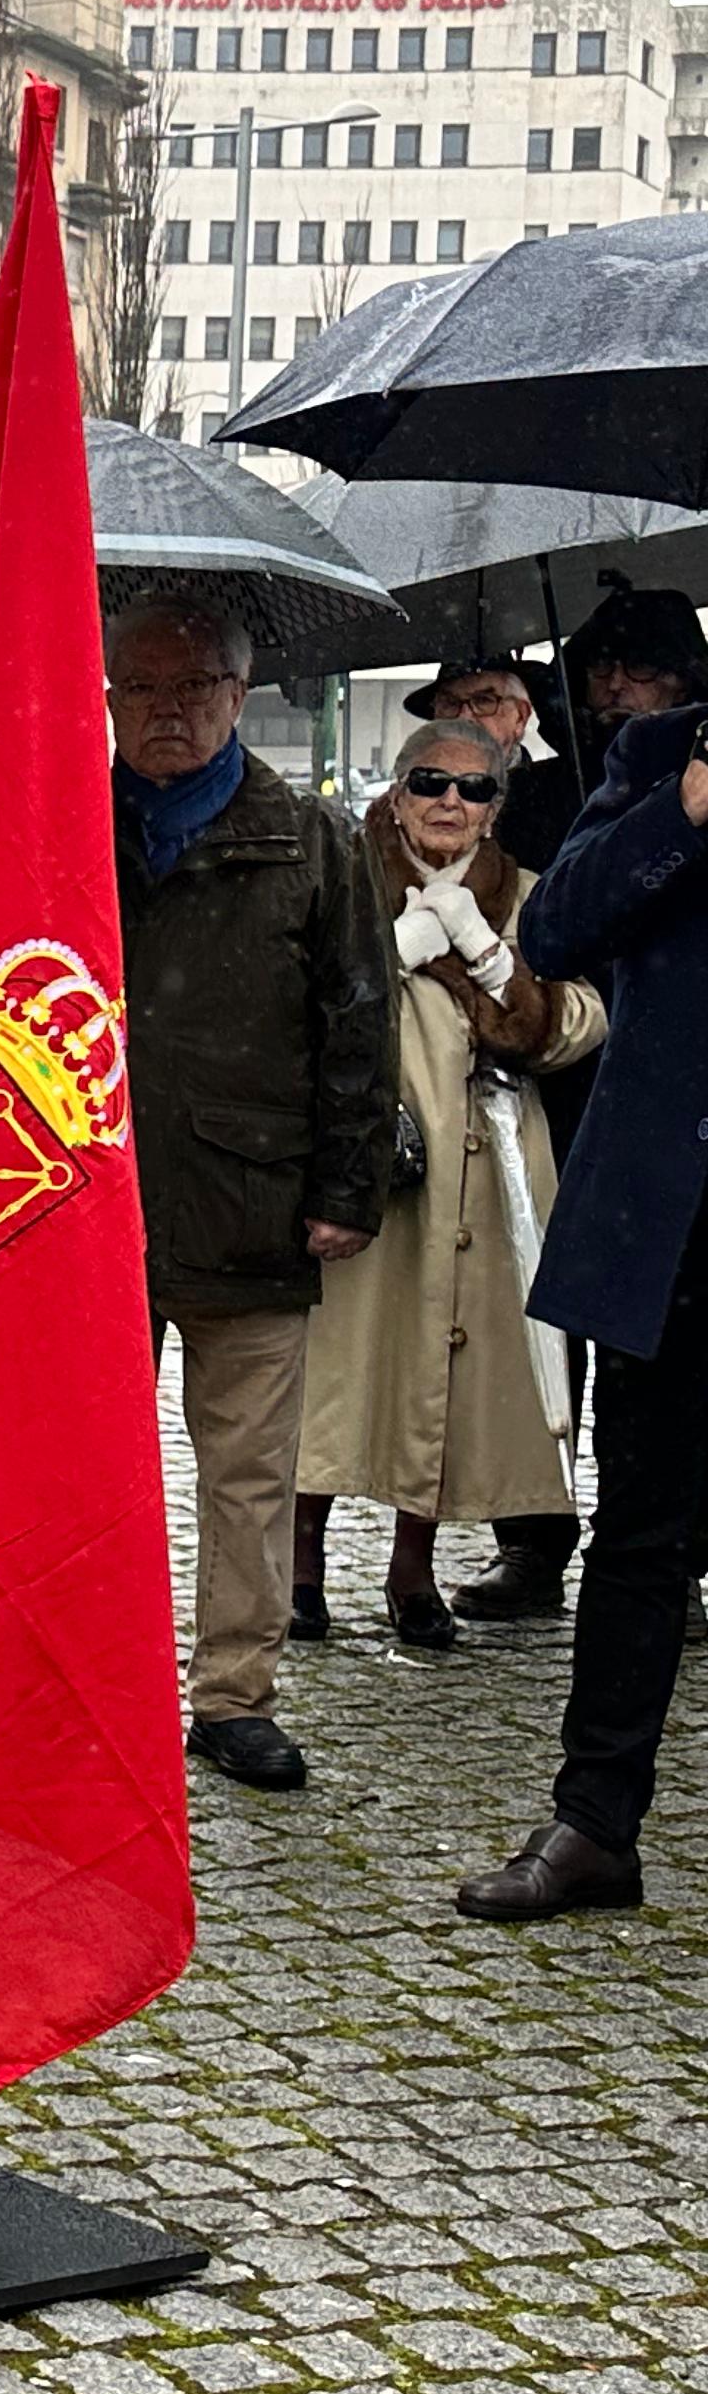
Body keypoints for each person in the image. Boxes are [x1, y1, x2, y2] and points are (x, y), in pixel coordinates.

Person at [104, 598, 393, 1796]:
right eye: (144, 688)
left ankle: (235, 1695)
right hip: (92, 1203)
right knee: (93, 1470)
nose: (169, 711)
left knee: (251, 1476)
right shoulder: (63, 822)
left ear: (240, 694)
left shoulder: (311, 840)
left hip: (255, 1201)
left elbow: (359, 1023)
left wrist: (346, 1190)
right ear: (110, 698)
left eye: (195, 688)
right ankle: (98, 1684)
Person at [458, 650, 708, 1917]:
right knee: (641, 1540)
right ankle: (595, 1824)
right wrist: (686, 813)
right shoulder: (665, 761)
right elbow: (554, 931)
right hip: (672, 1231)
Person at [292, 726, 604, 1648]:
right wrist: (394, 949)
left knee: (445, 1365)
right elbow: (295, 1000)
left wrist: (492, 959)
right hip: (367, 1164)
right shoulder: (342, 878)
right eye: (429, 781)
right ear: (395, 790)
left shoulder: (526, 896)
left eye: (473, 789)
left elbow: (581, 1017)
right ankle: (300, 1567)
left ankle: (412, 1571)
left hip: (485, 1165)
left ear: (496, 807)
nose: (449, 802)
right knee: (336, 1367)